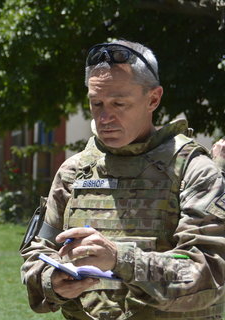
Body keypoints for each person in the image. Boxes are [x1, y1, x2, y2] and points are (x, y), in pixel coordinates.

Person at [20, 39, 225, 319]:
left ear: (153, 99)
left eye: (119, 103)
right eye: (96, 103)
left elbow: (210, 275)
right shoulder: (74, 171)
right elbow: (36, 253)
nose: (105, 117)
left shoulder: (193, 170)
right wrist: (51, 281)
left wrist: (120, 259)